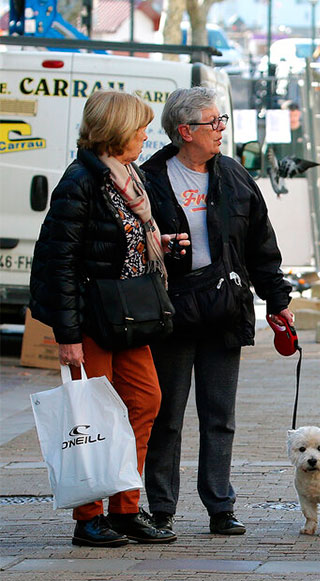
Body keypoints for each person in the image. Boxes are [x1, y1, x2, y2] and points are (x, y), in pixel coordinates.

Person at [28, 90, 182, 547]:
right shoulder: (81, 181)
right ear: (115, 130)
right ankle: (89, 516)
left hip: (131, 315)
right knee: (92, 417)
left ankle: (125, 508)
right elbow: (59, 261)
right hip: (94, 318)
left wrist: (158, 244)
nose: (145, 136)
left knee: (145, 401)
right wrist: (68, 334)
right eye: (140, 129)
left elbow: (125, 240)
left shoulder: (131, 177)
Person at [141, 87, 294, 537]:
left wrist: (277, 301)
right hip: (172, 312)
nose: (221, 129)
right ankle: (162, 508)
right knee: (167, 416)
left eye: (221, 120)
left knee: (220, 415)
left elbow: (261, 245)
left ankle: (220, 506)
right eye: (213, 122)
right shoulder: (151, 179)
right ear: (185, 131)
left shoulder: (234, 175)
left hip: (224, 308)